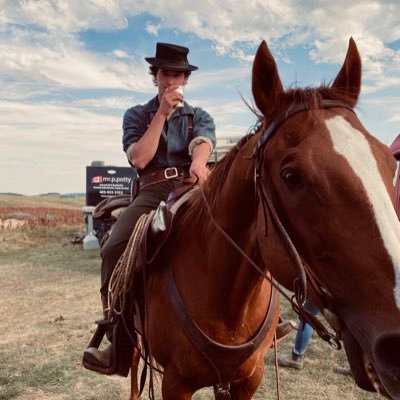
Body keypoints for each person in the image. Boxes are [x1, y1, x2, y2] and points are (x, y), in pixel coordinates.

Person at [83, 42, 217, 370]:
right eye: (165, 73)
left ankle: (268, 319)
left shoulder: (199, 116)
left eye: (177, 74)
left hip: (190, 186)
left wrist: (200, 163)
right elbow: (140, 158)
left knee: (238, 224)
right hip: (152, 191)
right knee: (114, 247)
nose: (171, 80)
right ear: (155, 76)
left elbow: (203, 142)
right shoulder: (137, 115)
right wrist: (161, 114)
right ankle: (119, 338)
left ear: (185, 79)